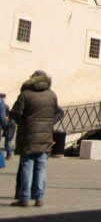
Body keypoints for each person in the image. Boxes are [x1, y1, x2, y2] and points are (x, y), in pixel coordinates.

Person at [9, 70, 63, 208]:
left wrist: (19, 119)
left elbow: (16, 114)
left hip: (28, 135)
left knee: (27, 166)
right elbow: (58, 112)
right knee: (41, 167)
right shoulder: (51, 95)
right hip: (45, 136)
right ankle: (39, 198)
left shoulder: (25, 94)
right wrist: (49, 122)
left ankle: (25, 198)